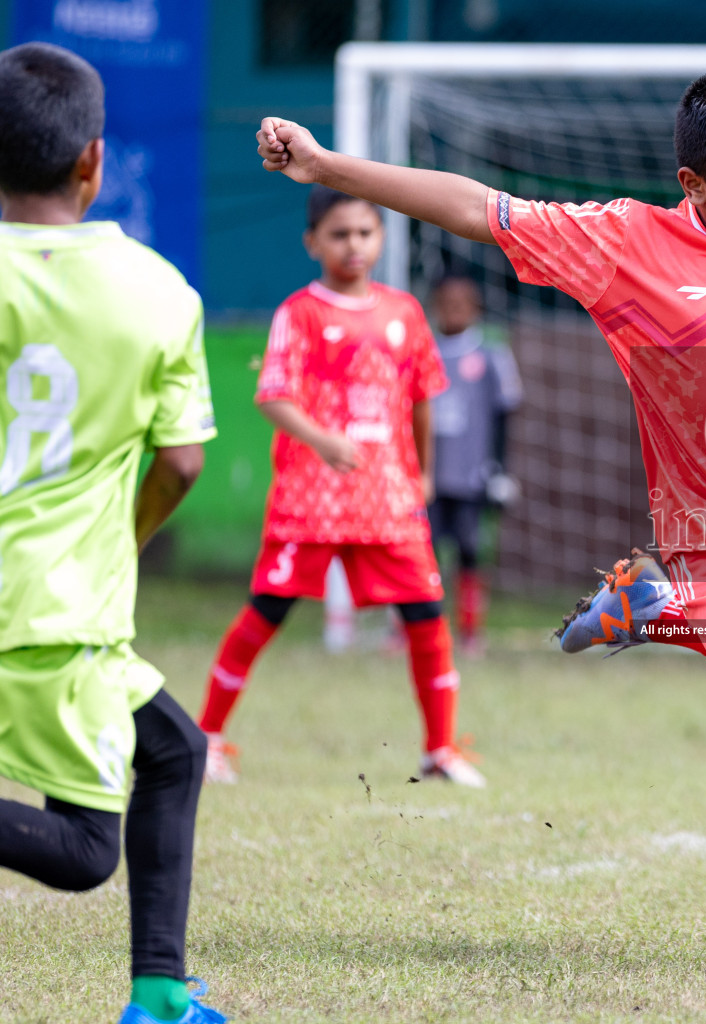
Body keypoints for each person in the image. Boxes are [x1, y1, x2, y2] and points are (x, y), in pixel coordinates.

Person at [255, 66, 706, 972]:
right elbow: (475, 206)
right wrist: (330, 167)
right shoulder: (623, 247)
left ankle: (658, 606)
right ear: (696, 185)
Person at [0, 42, 226, 1023]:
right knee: (88, 850)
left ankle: (160, 994)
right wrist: (121, 537)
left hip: (51, 610)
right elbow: (180, 463)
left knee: (173, 748)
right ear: (93, 161)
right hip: (55, 611)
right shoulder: (158, 293)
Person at [195, 185, 484, 788]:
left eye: (364, 232)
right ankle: (206, 739)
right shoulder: (297, 313)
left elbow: (423, 399)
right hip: (312, 504)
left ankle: (440, 750)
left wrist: (424, 474)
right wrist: (323, 441)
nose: (353, 245)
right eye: (338, 234)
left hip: (388, 501)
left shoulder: (403, 312)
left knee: (427, 617)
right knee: (265, 613)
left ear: (380, 238)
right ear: (312, 243)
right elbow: (272, 395)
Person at [427, 274, 522, 653]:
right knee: (426, 554)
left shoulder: (490, 355)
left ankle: (471, 633)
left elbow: (504, 415)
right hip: (430, 477)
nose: (454, 311)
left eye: (462, 304)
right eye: (446, 303)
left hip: (471, 475)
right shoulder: (425, 351)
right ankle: (426, 629)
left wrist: (499, 468)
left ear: (476, 309)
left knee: (469, 550)